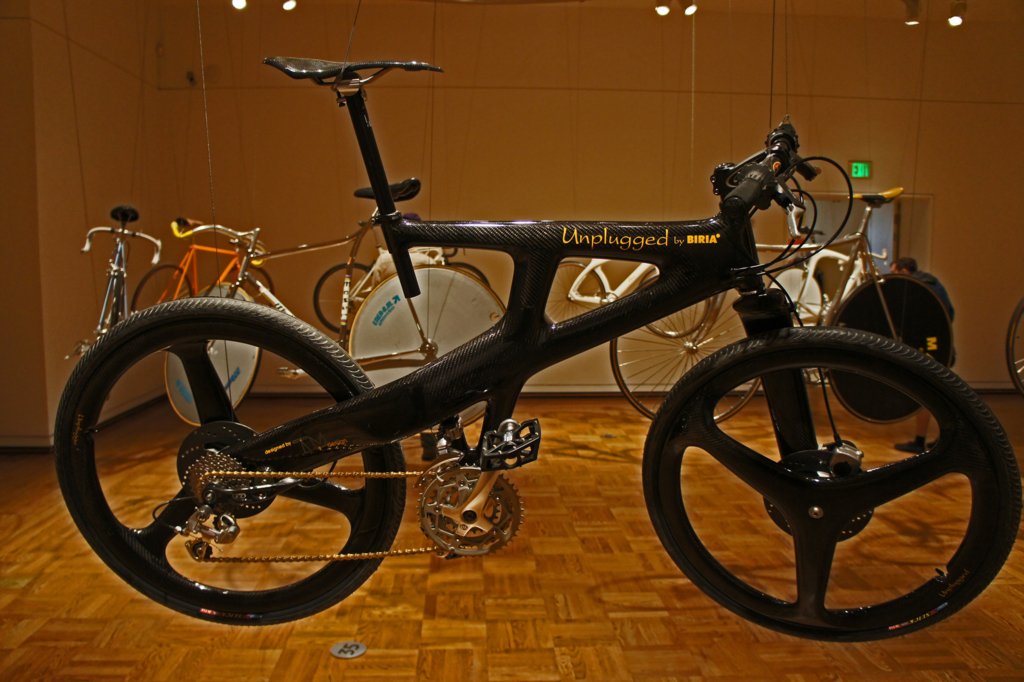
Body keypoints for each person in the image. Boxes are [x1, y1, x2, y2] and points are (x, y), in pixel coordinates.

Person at [890, 257, 955, 453]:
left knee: (927, 394)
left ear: (903, 271)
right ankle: (945, 439)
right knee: (937, 395)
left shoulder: (916, 288)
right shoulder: (933, 284)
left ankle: (922, 441)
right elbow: (949, 314)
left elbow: (913, 320)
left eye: (894, 273)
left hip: (928, 348)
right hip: (941, 347)